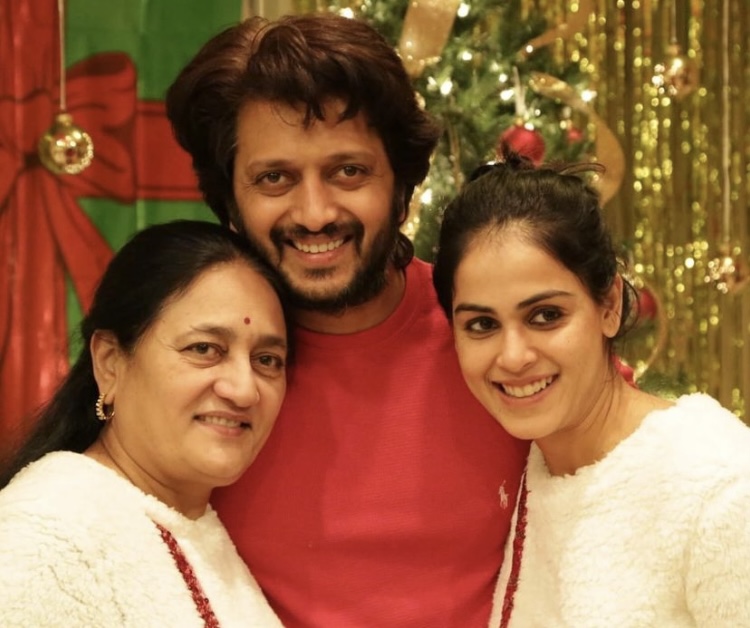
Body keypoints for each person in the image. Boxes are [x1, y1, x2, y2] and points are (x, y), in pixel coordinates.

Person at [165, 13, 529, 627]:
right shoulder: (192, 369)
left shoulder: (502, 338)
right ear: (229, 200)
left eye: (348, 171)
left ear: (402, 185)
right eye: (274, 178)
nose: (314, 213)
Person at [431, 152, 750, 627]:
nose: (513, 356)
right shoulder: (534, 471)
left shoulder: (719, 487)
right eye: (482, 324)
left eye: (546, 316)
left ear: (610, 305)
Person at [0, 220, 291, 627]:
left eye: (267, 360)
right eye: (204, 349)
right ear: (110, 363)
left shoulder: (198, 531)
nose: (244, 390)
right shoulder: (45, 537)